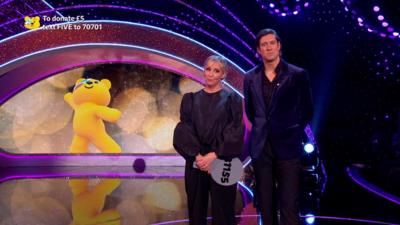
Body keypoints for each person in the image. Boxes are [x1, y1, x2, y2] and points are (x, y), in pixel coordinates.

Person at [243, 28, 313, 225]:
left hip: (288, 147)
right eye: (264, 45)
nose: (268, 47)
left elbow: (307, 109)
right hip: (261, 148)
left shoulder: (297, 74)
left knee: (289, 203)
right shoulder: (250, 77)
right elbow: (251, 111)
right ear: (258, 50)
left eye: (272, 43)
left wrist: (291, 129)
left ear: (279, 45)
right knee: (266, 204)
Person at [173, 55, 244, 225]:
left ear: (223, 74)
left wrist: (214, 155)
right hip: (197, 161)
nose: (211, 74)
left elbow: (235, 130)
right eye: (208, 69)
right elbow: (184, 130)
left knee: (224, 211)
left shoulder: (232, 100)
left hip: (223, 159)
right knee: (196, 210)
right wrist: (198, 157)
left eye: (216, 70)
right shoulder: (190, 99)